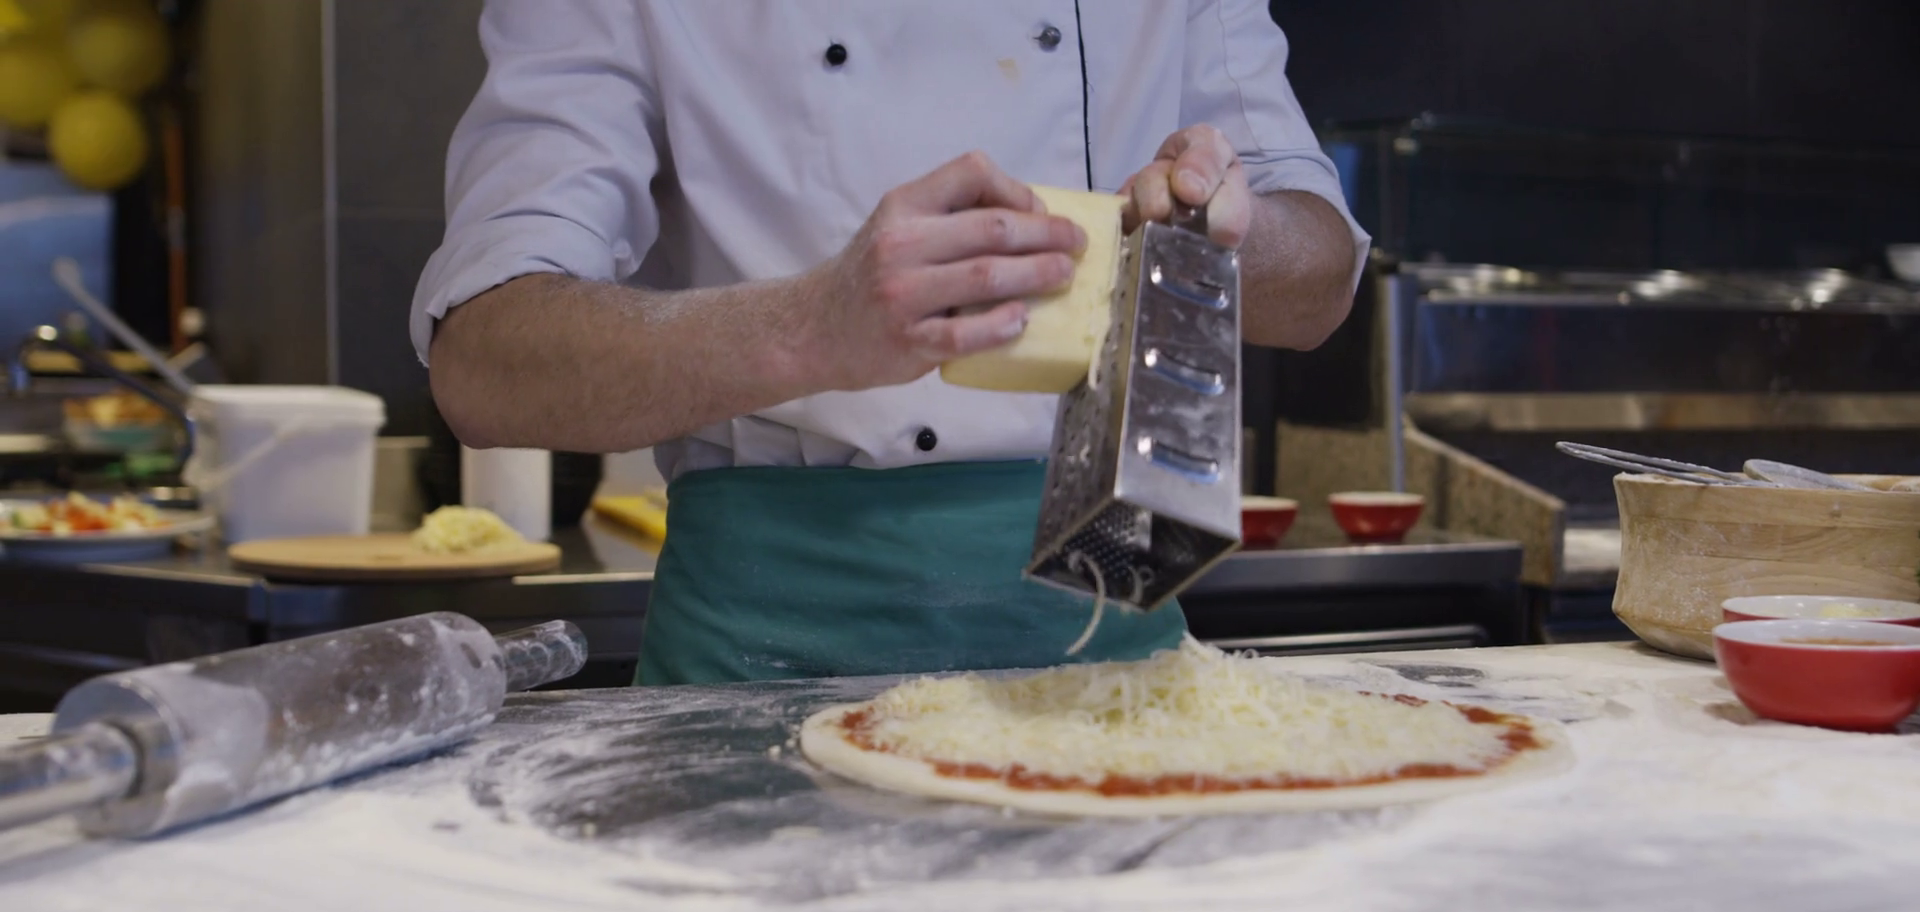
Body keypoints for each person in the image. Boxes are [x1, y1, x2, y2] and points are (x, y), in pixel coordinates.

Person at [412, 2, 1369, 685]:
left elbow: (1319, 284)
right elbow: (483, 360)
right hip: (762, 661)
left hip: (1122, 614)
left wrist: (1224, 236)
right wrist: (808, 327)